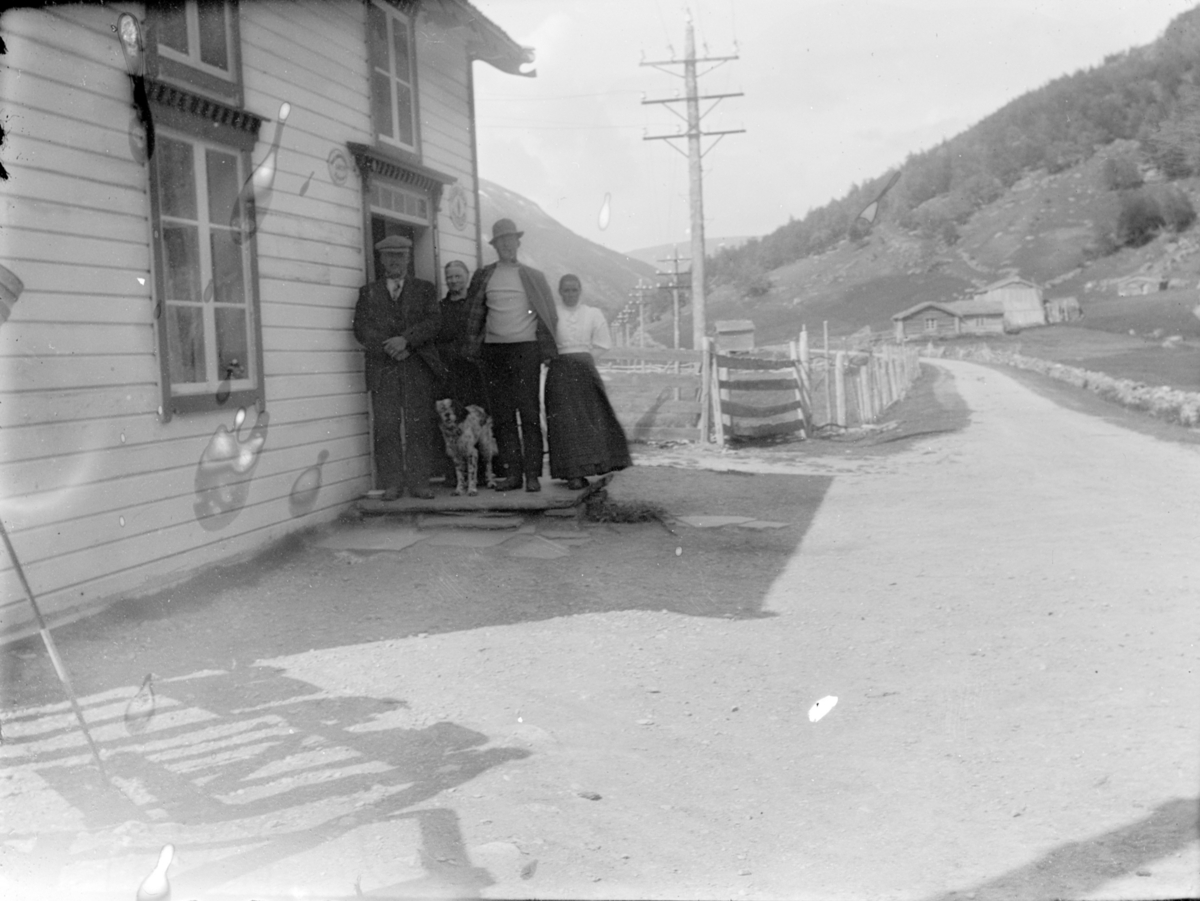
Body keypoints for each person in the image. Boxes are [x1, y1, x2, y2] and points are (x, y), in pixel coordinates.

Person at [461, 219, 558, 492]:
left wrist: (548, 351)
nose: (506, 244)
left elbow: (549, 314)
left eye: (510, 239)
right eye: (501, 240)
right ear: (495, 245)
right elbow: (472, 314)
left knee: (528, 413)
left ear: (518, 242)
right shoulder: (484, 275)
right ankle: (513, 474)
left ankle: (532, 475)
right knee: (502, 414)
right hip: (493, 352)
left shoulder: (533, 277)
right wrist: (472, 348)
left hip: (526, 350)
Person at [352, 234, 446, 500]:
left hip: (416, 367)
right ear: (381, 259)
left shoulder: (425, 289)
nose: (395, 261)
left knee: (419, 425)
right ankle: (392, 483)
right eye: (389, 256)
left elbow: (434, 323)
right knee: (386, 426)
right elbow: (361, 329)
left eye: (400, 256)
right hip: (384, 368)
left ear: (408, 258)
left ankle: (419, 482)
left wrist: (407, 340)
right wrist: (389, 346)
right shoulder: (368, 292)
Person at [544, 274, 631, 489]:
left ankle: (595, 467)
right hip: (560, 370)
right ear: (560, 292)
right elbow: (544, 340)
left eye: (574, 290)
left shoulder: (592, 314)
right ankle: (572, 473)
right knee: (566, 421)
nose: (570, 294)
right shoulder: (552, 313)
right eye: (566, 290)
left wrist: (584, 358)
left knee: (590, 418)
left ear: (580, 291)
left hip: (584, 369)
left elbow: (603, 343)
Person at [431, 259, 487, 484]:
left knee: (473, 421)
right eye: (450, 277)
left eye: (458, 276)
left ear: (466, 277)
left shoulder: (476, 305)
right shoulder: (440, 308)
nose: (454, 281)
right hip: (450, 371)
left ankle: (482, 475)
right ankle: (455, 475)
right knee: (451, 421)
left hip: (473, 371)